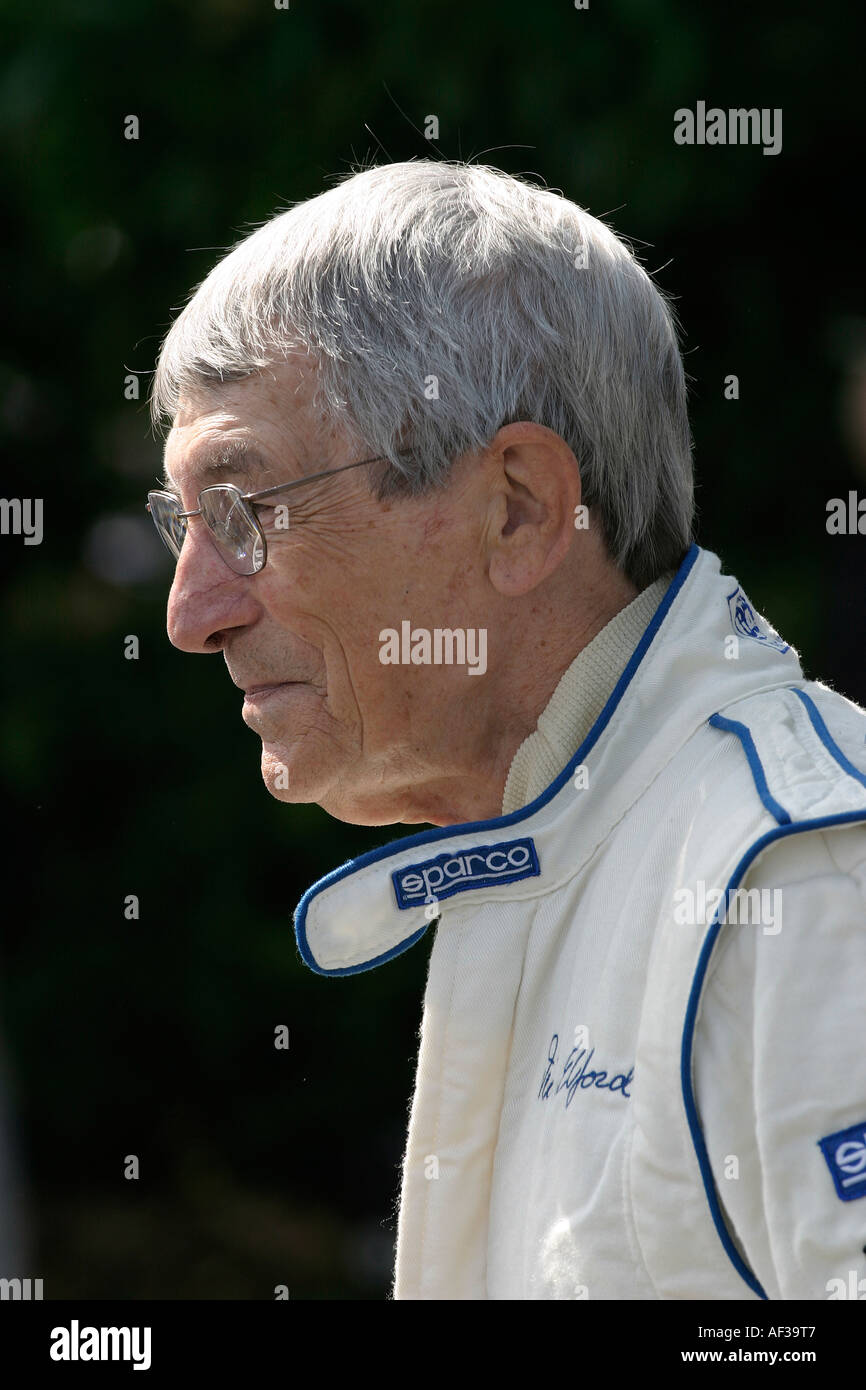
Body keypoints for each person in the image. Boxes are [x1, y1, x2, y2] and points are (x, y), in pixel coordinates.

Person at [147, 160, 866, 1300]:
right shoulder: (562, 841)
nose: (190, 612)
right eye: (180, 524)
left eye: (244, 510)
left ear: (519, 508)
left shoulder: (805, 877)